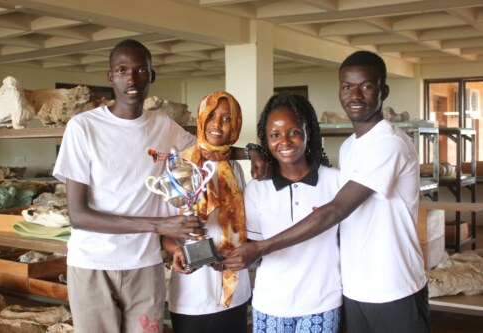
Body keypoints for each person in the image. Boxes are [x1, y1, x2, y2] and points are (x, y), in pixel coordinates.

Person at [53, 39, 268, 333]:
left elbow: (208, 148)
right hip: (93, 263)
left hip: (145, 265)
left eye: (141, 70)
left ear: (151, 76)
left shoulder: (163, 127)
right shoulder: (83, 128)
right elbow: (78, 216)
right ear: (110, 77)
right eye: (122, 70)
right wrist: (161, 225)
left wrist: (253, 151)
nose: (131, 78)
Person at [223, 51, 431, 333]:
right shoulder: (350, 147)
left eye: (366, 86)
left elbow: (336, 210)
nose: (354, 95)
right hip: (356, 289)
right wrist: (252, 151)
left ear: (384, 91)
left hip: (394, 286)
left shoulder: (389, 143)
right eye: (347, 87)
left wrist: (261, 247)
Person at [245, 92, 342, 332]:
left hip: (322, 303)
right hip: (270, 304)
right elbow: (254, 252)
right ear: (265, 139)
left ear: (309, 132)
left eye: (294, 132)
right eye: (275, 135)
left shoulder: (336, 182)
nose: (285, 142)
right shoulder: (257, 189)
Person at [162, 91, 251, 333]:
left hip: (234, 287)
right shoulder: (179, 165)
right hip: (193, 290)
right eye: (211, 115)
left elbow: (243, 225)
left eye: (226, 118)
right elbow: (163, 229)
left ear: (235, 124)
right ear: (201, 118)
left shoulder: (235, 168)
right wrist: (176, 250)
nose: (217, 124)